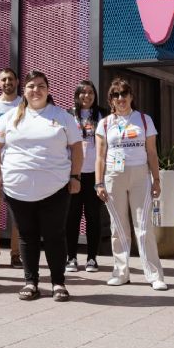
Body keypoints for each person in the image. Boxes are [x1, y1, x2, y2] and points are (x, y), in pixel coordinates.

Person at [0, 70, 83, 301]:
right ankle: (31, 282)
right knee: (27, 236)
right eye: (31, 86)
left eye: (41, 86)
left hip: (56, 188)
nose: (36, 90)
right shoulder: (9, 117)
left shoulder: (62, 116)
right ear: (25, 90)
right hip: (17, 190)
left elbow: (77, 148)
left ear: (48, 90)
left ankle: (58, 283)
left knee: (54, 235)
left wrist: (75, 176)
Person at [95, 77, 167, 291]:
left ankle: (154, 275)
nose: (121, 98)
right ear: (111, 100)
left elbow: (152, 152)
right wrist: (98, 183)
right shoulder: (105, 123)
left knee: (144, 227)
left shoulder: (144, 120)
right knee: (118, 227)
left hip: (140, 175)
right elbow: (100, 156)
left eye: (124, 94)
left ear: (131, 96)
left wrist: (156, 180)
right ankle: (120, 272)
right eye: (116, 95)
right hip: (113, 176)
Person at [65, 80, 104, 273]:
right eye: (83, 92)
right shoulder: (68, 115)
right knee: (71, 217)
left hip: (94, 175)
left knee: (93, 217)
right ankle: (71, 257)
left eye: (90, 92)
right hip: (74, 174)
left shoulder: (103, 115)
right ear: (77, 95)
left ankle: (92, 258)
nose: (86, 96)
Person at [0, 68, 22, 268]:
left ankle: (16, 254)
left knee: (17, 212)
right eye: (3, 79)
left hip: (17, 165)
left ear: (17, 82)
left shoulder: (24, 104)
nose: (7, 82)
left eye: (10, 79)